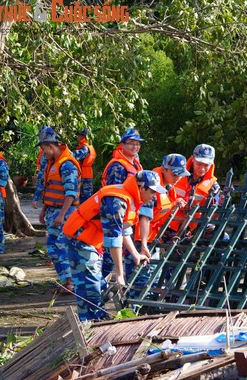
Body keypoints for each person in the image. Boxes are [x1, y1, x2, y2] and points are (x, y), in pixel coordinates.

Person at [63, 170, 165, 321]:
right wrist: (120, 274)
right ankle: (91, 324)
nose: (154, 196)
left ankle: (95, 320)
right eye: (152, 191)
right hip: (79, 240)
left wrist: (136, 255)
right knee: (90, 287)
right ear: (142, 188)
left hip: (92, 242)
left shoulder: (130, 197)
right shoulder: (117, 201)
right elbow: (114, 240)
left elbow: (124, 230)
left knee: (94, 283)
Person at [125, 154, 189, 299]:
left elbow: (161, 208)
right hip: (140, 238)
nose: (178, 178)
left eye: (180, 175)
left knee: (153, 276)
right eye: (174, 174)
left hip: (152, 237)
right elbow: (144, 217)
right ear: (164, 169)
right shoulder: (151, 184)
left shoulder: (168, 185)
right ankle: (134, 310)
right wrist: (142, 244)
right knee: (141, 278)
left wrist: (175, 204)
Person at [37, 126, 81, 292]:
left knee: (60, 247)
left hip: (64, 212)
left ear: (50, 146)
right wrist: (43, 210)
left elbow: (70, 193)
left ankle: (70, 282)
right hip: (52, 210)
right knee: (54, 246)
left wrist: (61, 215)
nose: (43, 153)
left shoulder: (67, 165)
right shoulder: (52, 163)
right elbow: (50, 189)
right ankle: (67, 280)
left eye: (43, 149)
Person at [100, 128, 145, 278]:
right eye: (131, 143)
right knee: (110, 254)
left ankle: (118, 282)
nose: (135, 147)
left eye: (137, 144)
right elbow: (113, 194)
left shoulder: (135, 164)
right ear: (122, 145)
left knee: (125, 253)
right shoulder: (118, 166)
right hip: (116, 216)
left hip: (129, 215)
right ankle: (99, 283)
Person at [169, 144, 220, 234]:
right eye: (199, 163)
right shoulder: (176, 174)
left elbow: (213, 214)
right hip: (168, 223)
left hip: (193, 228)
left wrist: (220, 205)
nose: (202, 168)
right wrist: (175, 202)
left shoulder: (213, 186)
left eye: (206, 165)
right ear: (193, 159)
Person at [72, 128, 96, 203]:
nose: (77, 137)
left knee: (84, 197)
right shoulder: (89, 146)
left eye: (78, 136)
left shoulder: (84, 147)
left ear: (82, 136)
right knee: (87, 196)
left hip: (83, 174)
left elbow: (76, 156)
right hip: (87, 173)